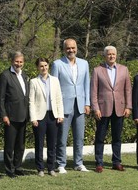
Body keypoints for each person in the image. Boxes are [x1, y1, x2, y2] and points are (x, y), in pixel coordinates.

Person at [51, 38, 90, 174]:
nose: (71, 50)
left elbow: (86, 84)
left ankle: (78, 163)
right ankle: (61, 163)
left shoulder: (84, 64)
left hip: (80, 105)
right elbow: (54, 87)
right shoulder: (57, 64)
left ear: (77, 48)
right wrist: (56, 107)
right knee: (62, 137)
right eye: (68, 48)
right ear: (64, 49)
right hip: (63, 106)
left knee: (79, 137)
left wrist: (87, 103)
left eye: (73, 48)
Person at [90, 45, 132, 173]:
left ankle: (116, 162)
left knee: (117, 137)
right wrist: (95, 108)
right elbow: (93, 91)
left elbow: (128, 90)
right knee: (100, 137)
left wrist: (128, 106)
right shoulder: (97, 70)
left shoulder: (124, 69)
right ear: (104, 56)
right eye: (109, 54)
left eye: (113, 54)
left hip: (119, 108)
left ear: (116, 55)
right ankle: (99, 163)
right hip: (102, 109)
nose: (111, 56)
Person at [29, 58, 64, 177]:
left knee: (52, 143)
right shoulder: (34, 82)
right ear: (37, 68)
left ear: (48, 66)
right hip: (39, 116)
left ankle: (51, 168)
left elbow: (59, 98)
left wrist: (60, 114)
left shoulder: (55, 80)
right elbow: (31, 101)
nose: (44, 68)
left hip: (53, 115)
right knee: (39, 143)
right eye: (41, 66)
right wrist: (33, 118)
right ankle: (40, 168)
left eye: (45, 65)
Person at [0, 51, 29, 178]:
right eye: (16, 61)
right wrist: (3, 115)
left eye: (21, 61)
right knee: (10, 145)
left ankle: (18, 167)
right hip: (10, 116)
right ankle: (9, 169)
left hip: (23, 115)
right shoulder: (5, 75)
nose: (18, 64)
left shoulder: (24, 75)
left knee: (20, 145)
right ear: (12, 61)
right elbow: (0, 98)